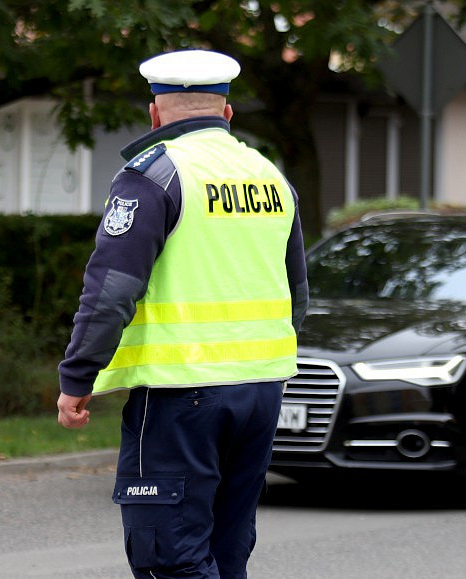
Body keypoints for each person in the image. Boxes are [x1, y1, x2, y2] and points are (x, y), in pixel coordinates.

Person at [56, 49, 308, 578]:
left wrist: (78, 376)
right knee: (225, 552)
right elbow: (297, 296)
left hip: (181, 395)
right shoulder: (269, 177)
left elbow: (111, 291)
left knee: (170, 560)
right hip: (261, 393)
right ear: (227, 112)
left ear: (154, 113)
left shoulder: (155, 175)